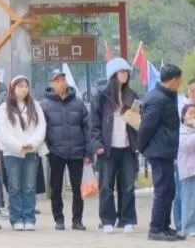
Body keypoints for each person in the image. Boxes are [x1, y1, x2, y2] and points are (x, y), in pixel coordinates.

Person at [89, 58, 139, 234]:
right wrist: (97, 143)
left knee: (128, 186)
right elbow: (93, 123)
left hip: (127, 147)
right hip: (107, 148)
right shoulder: (101, 96)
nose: (125, 75)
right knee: (106, 186)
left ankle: (127, 220)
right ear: (113, 75)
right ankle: (107, 220)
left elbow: (137, 122)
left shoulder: (132, 95)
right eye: (122, 72)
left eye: (127, 72)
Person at [40, 68, 90, 231]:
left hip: (77, 152)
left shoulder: (78, 103)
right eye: (57, 81)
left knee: (77, 188)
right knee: (56, 188)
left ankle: (77, 220)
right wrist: (47, 148)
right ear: (51, 84)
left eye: (63, 80)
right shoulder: (45, 105)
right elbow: (42, 129)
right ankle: (59, 219)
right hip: (56, 152)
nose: (61, 83)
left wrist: (88, 151)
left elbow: (87, 128)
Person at [138, 63, 183, 241]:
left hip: (166, 150)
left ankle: (164, 226)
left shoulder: (167, 96)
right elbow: (146, 127)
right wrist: (142, 147)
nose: (180, 84)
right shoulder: (157, 98)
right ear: (172, 81)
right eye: (179, 80)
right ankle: (155, 228)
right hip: (158, 151)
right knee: (162, 190)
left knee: (169, 189)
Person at [0, 75, 46, 231]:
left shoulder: (35, 106)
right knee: (15, 186)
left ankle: (29, 217)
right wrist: (19, 146)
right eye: (20, 86)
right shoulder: (4, 108)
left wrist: (32, 144)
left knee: (30, 186)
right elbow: (2, 131)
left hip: (31, 151)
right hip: (12, 153)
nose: (24, 89)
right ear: (12, 89)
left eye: (26, 86)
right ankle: (16, 218)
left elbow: (41, 127)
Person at [179, 104, 195, 238]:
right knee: (188, 200)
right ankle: (187, 227)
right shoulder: (181, 131)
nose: (193, 115)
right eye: (191, 113)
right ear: (183, 117)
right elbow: (186, 145)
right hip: (188, 171)